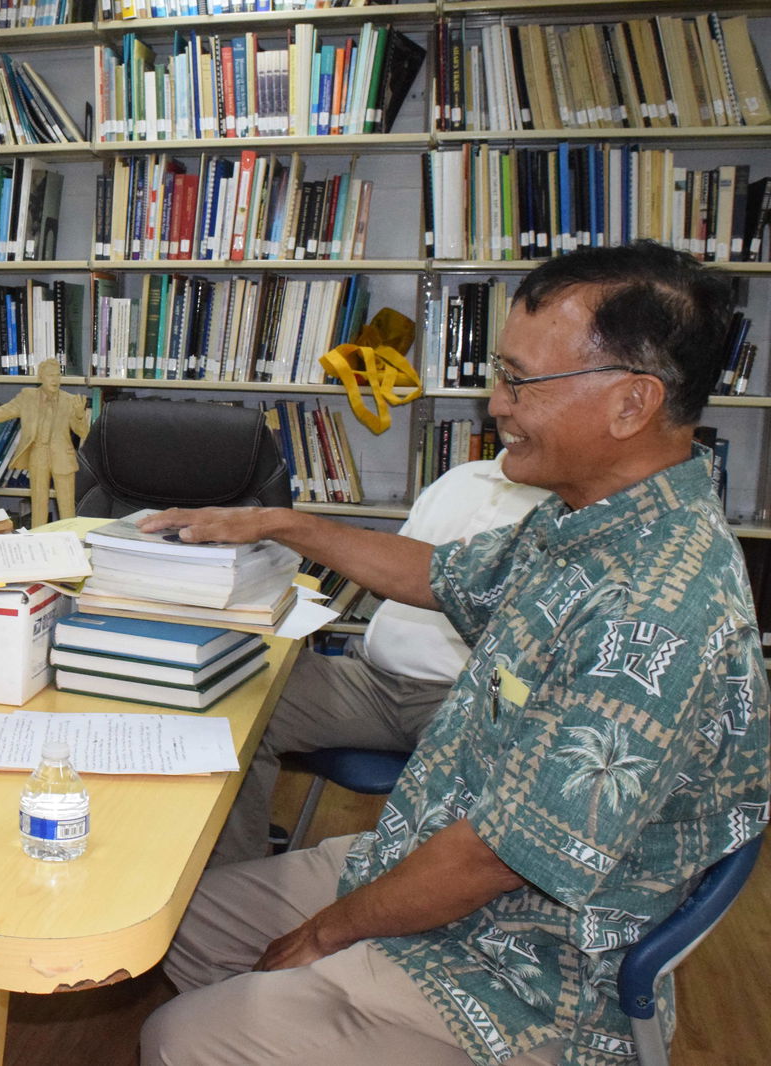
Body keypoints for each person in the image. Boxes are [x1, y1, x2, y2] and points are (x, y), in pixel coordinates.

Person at [137, 242, 770, 1065]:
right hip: (417, 855)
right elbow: (443, 573)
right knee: (177, 926)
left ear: (630, 404)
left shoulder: (652, 620)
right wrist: (278, 523)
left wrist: (323, 935)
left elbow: (490, 861)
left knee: (181, 1041)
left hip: (525, 970)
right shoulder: (594, 521)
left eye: (520, 380)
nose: (496, 404)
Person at [211, 456, 550, 865]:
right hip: (371, 680)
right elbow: (390, 574)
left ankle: (398, 902)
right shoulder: (460, 478)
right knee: (233, 704)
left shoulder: (577, 509)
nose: (502, 406)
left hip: (472, 692)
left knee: (483, 780)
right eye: (503, 390)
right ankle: (233, 873)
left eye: (521, 391)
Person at [0, 357, 91, 520]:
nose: (55, 380)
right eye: (50, 375)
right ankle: (38, 538)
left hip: (63, 457)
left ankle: (68, 539)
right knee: (39, 504)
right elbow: (0, 412)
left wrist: (80, 416)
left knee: (67, 506)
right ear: (40, 377)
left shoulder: (70, 400)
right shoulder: (27, 397)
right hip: (38, 455)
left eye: (58, 375)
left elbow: (83, 433)